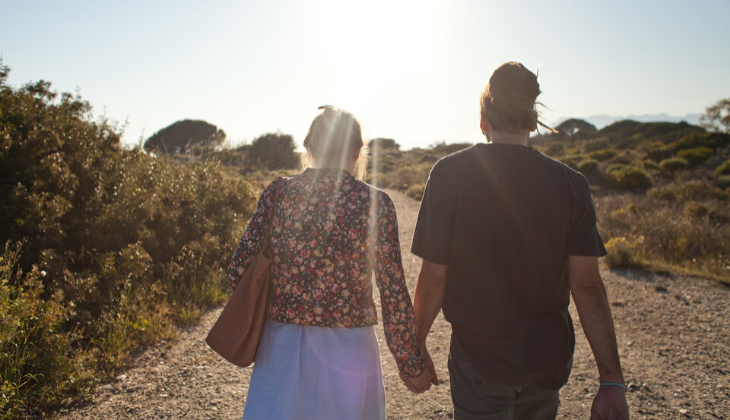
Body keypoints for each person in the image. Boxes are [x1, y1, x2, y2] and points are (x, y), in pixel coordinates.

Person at [411, 62, 630, 419]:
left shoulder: (449, 175)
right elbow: (587, 285)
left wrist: (415, 345)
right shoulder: (571, 184)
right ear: (532, 120)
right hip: (547, 362)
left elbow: (434, 277)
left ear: (483, 120)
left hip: (481, 362)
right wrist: (612, 381)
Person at [228, 106, 432, 420]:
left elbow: (238, 271)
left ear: (309, 148)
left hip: (282, 346)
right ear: (358, 150)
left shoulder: (278, 193)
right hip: (350, 351)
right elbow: (392, 293)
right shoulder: (374, 202)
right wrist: (410, 364)